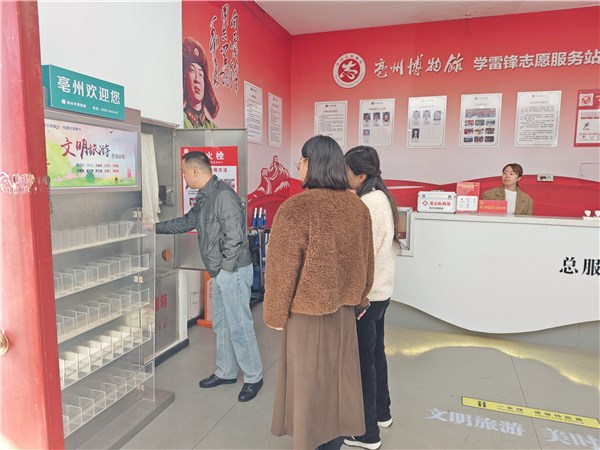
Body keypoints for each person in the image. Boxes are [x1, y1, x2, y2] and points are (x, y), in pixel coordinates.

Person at [264, 135, 375, 450]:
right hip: (344, 314)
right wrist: (361, 298)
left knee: (308, 386)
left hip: (306, 315)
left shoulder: (296, 208)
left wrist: (274, 314)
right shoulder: (357, 207)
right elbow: (367, 261)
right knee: (338, 384)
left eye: (301, 160)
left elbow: (282, 269)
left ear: (311, 163)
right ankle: (333, 443)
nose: (298, 166)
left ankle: (310, 442)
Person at [155, 151, 264, 402]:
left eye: (184, 172)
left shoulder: (223, 196)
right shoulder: (206, 196)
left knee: (240, 326)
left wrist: (225, 271)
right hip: (222, 272)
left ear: (195, 170)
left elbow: (235, 237)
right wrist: (154, 228)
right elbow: (186, 222)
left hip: (233, 271)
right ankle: (226, 372)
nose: (183, 177)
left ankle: (253, 377)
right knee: (223, 326)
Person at [343, 146, 402, 450]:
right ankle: (382, 413)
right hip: (381, 293)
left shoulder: (368, 204)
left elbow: (363, 257)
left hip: (368, 296)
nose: (342, 175)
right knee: (376, 354)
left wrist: (357, 297)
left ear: (361, 175)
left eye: (346, 171)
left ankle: (368, 434)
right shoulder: (380, 198)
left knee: (363, 363)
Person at [182, 37, 219, 129]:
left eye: (200, 74)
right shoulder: (180, 120)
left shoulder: (213, 128)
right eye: (192, 71)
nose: (197, 79)